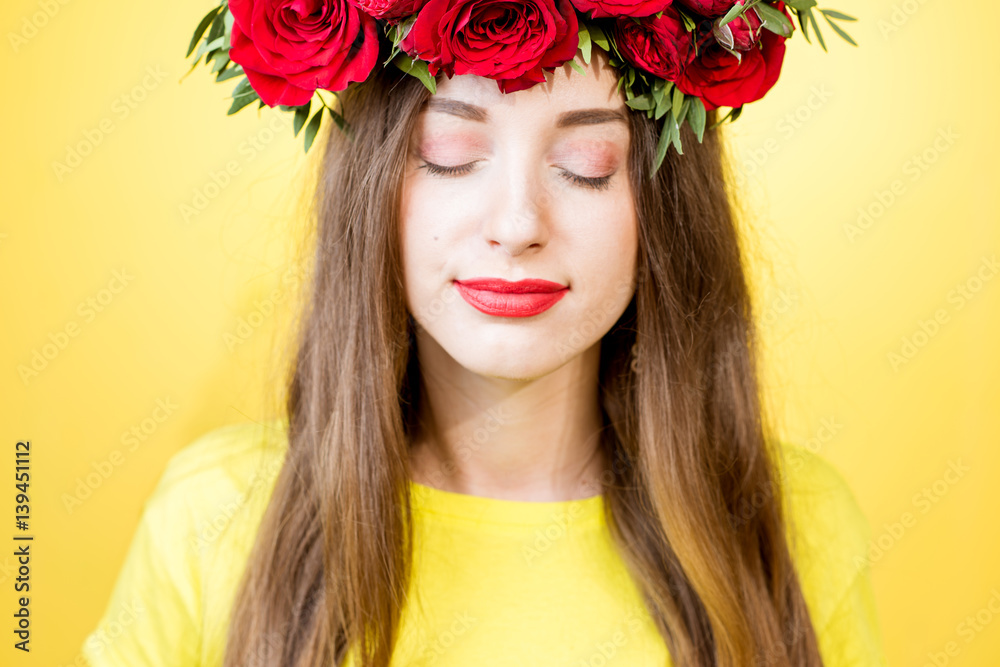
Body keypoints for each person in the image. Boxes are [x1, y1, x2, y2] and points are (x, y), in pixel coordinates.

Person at [80, 47, 886, 667]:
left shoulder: (796, 522)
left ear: (666, 209)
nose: (516, 224)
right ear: (371, 185)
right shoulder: (210, 514)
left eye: (587, 166)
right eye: (450, 151)